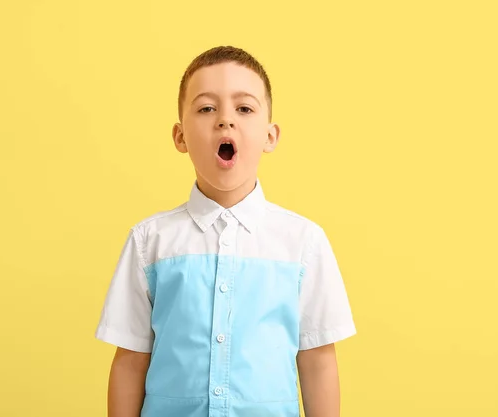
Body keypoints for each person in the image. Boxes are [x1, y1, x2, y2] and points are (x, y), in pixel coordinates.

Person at [95, 45, 357, 417]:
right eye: (206, 108)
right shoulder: (149, 242)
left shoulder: (303, 243)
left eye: (244, 108)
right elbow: (130, 360)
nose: (225, 120)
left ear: (270, 136)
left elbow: (317, 361)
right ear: (180, 136)